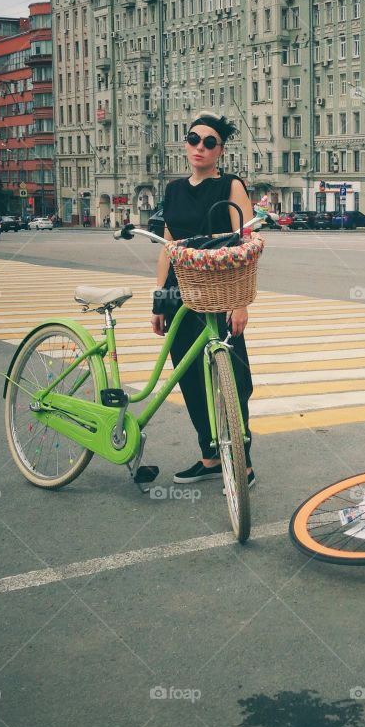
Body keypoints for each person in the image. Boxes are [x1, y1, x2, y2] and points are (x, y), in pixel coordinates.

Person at [151, 112, 256, 488]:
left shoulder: (231, 186)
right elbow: (169, 247)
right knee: (191, 378)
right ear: (186, 143)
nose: (200, 147)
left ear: (220, 151)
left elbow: (246, 244)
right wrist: (159, 301)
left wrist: (240, 302)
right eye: (194, 139)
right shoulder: (174, 190)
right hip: (182, 294)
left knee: (235, 380)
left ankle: (242, 464)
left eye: (209, 142)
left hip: (222, 292)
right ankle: (210, 456)